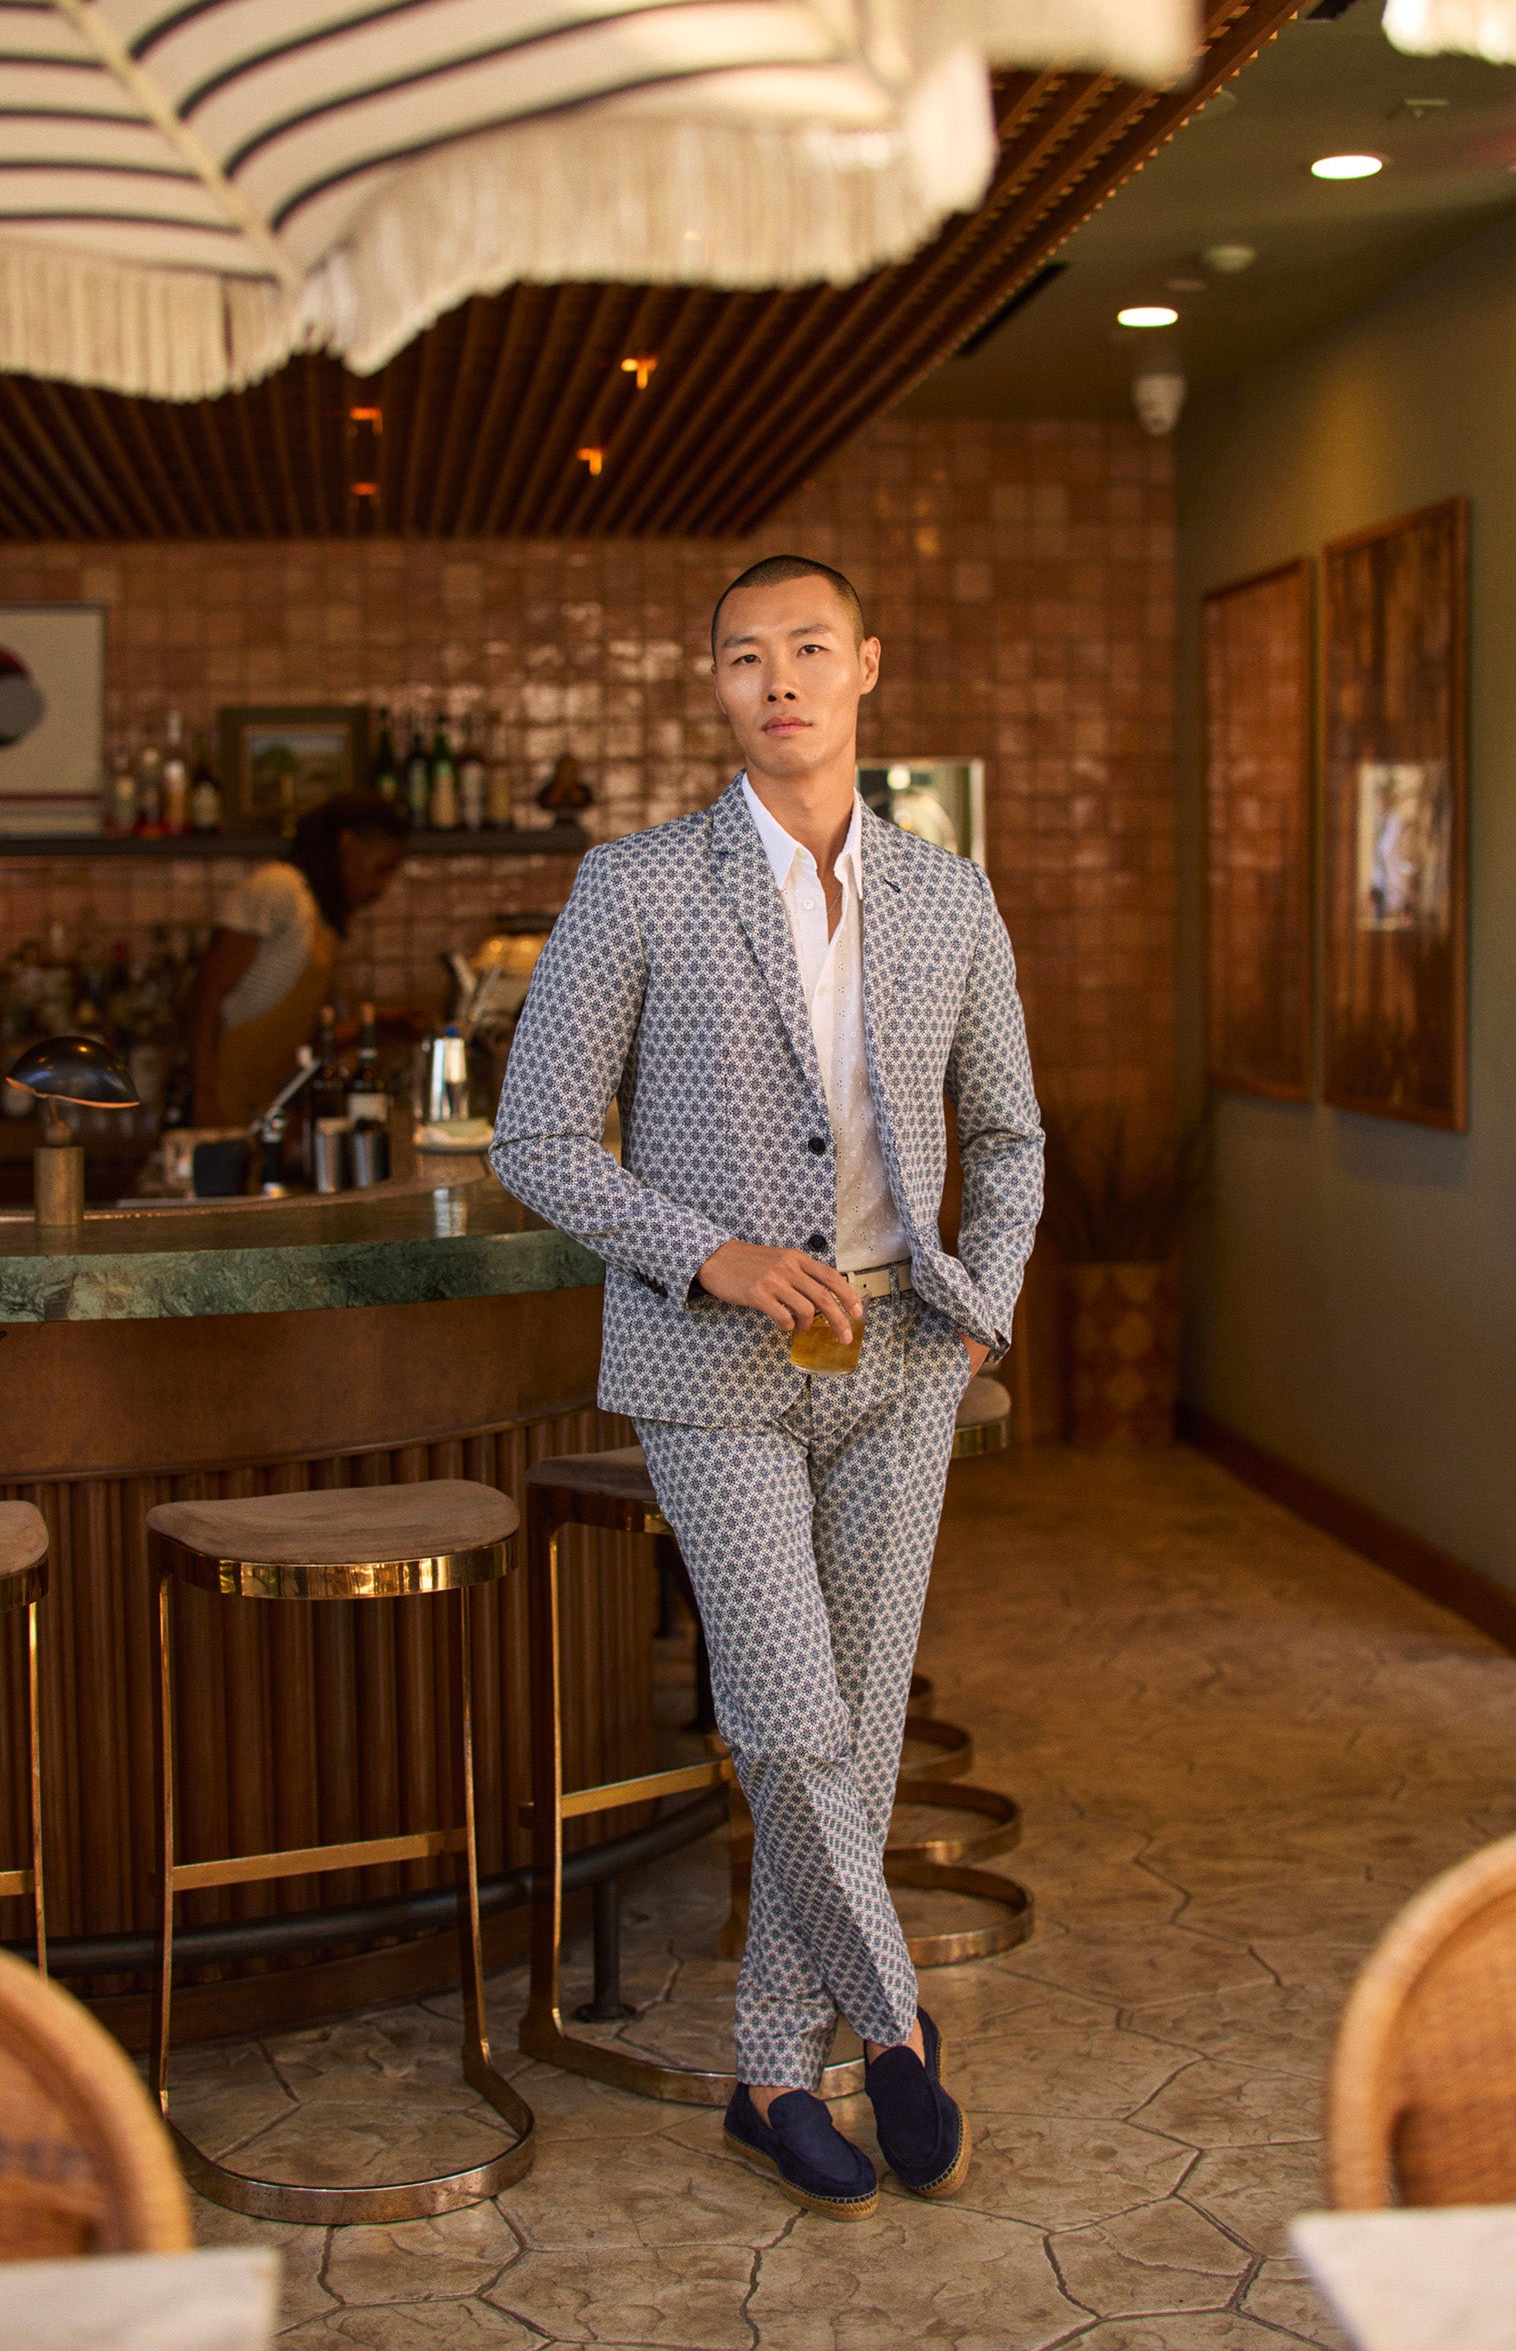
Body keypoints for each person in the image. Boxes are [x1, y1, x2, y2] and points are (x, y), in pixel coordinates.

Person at [491, 554, 1042, 2220]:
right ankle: (892, 2035)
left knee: (859, 1733)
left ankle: (764, 2072)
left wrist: (979, 1311)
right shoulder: (635, 885)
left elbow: (1011, 1145)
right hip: (710, 1360)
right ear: (715, 688)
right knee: (789, 1722)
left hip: (898, 1358)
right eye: (746, 657)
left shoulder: (950, 900)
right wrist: (710, 1253)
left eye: (810, 647)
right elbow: (536, 1139)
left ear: (866, 665)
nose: (779, 677)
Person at [189, 790, 407, 1127]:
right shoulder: (278, 888)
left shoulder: (319, 915)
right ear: (347, 843)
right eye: (381, 869)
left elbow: (305, 1034)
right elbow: (207, 994)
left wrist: (387, 1023)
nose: (382, 886)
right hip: (223, 1103)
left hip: (262, 1106)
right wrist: (202, 1096)